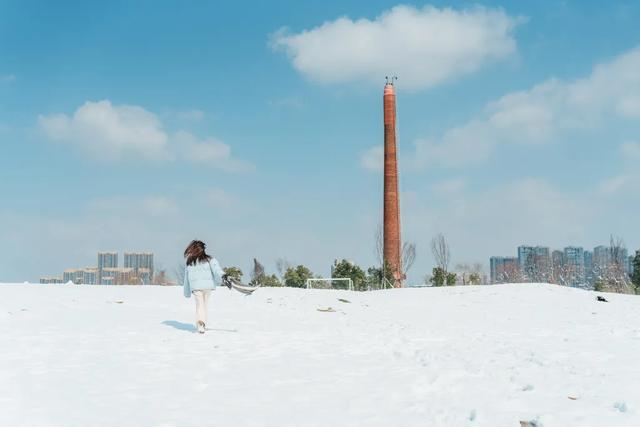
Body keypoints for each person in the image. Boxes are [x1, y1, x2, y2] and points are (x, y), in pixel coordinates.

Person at [182, 240, 226, 334]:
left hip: (196, 287)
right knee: (204, 305)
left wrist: (186, 292)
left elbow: (186, 279)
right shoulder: (210, 260)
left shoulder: (190, 262)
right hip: (207, 287)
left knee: (200, 305)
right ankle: (202, 323)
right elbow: (217, 270)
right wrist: (223, 276)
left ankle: (201, 323)